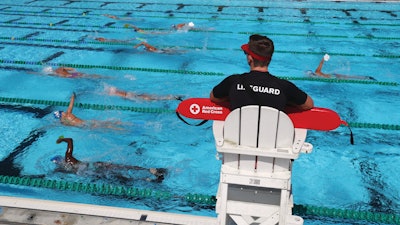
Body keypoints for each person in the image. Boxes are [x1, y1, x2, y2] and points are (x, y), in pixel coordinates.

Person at [210, 34, 314, 112]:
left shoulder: (233, 81)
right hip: (272, 140)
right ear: (270, 58)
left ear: (250, 58)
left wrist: (234, 95)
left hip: (237, 140)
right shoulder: (284, 87)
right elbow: (308, 104)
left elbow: (214, 97)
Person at [52, 136, 166, 182]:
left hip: (93, 172)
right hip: (96, 165)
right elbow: (70, 141)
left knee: (121, 178)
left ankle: (148, 180)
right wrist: (62, 140)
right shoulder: (68, 159)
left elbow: (50, 174)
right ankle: (151, 171)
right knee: (123, 168)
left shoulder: (66, 165)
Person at [53, 93, 124, 130]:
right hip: (86, 123)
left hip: (83, 127)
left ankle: (119, 128)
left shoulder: (63, 123)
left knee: (104, 126)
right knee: (105, 124)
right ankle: (120, 126)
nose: (63, 112)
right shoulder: (68, 114)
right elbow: (71, 105)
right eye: (62, 112)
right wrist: (73, 96)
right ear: (61, 114)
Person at [307, 54, 376, 81]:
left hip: (333, 76)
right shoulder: (317, 72)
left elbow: (321, 64)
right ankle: (366, 77)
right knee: (350, 77)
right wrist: (324, 58)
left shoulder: (317, 73)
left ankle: (366, 78)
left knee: (350, 77)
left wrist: (324, 58)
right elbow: (321, 63)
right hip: (333, 75)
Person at [105, 85, 183, 101]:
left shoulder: (124, 94)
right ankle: (173, 97)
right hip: (141, 96)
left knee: (159, 98)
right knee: (160, 97)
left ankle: (173, 97)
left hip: (142, 97)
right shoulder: (124, 94)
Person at [40, 66, 106, 79]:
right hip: (74, 74)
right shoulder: (60, 68)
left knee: (89, 77)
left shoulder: (55, 74)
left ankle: (105, 78)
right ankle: (107, 77)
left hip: (72, 76)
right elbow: (72, 68)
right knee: (91, 75)